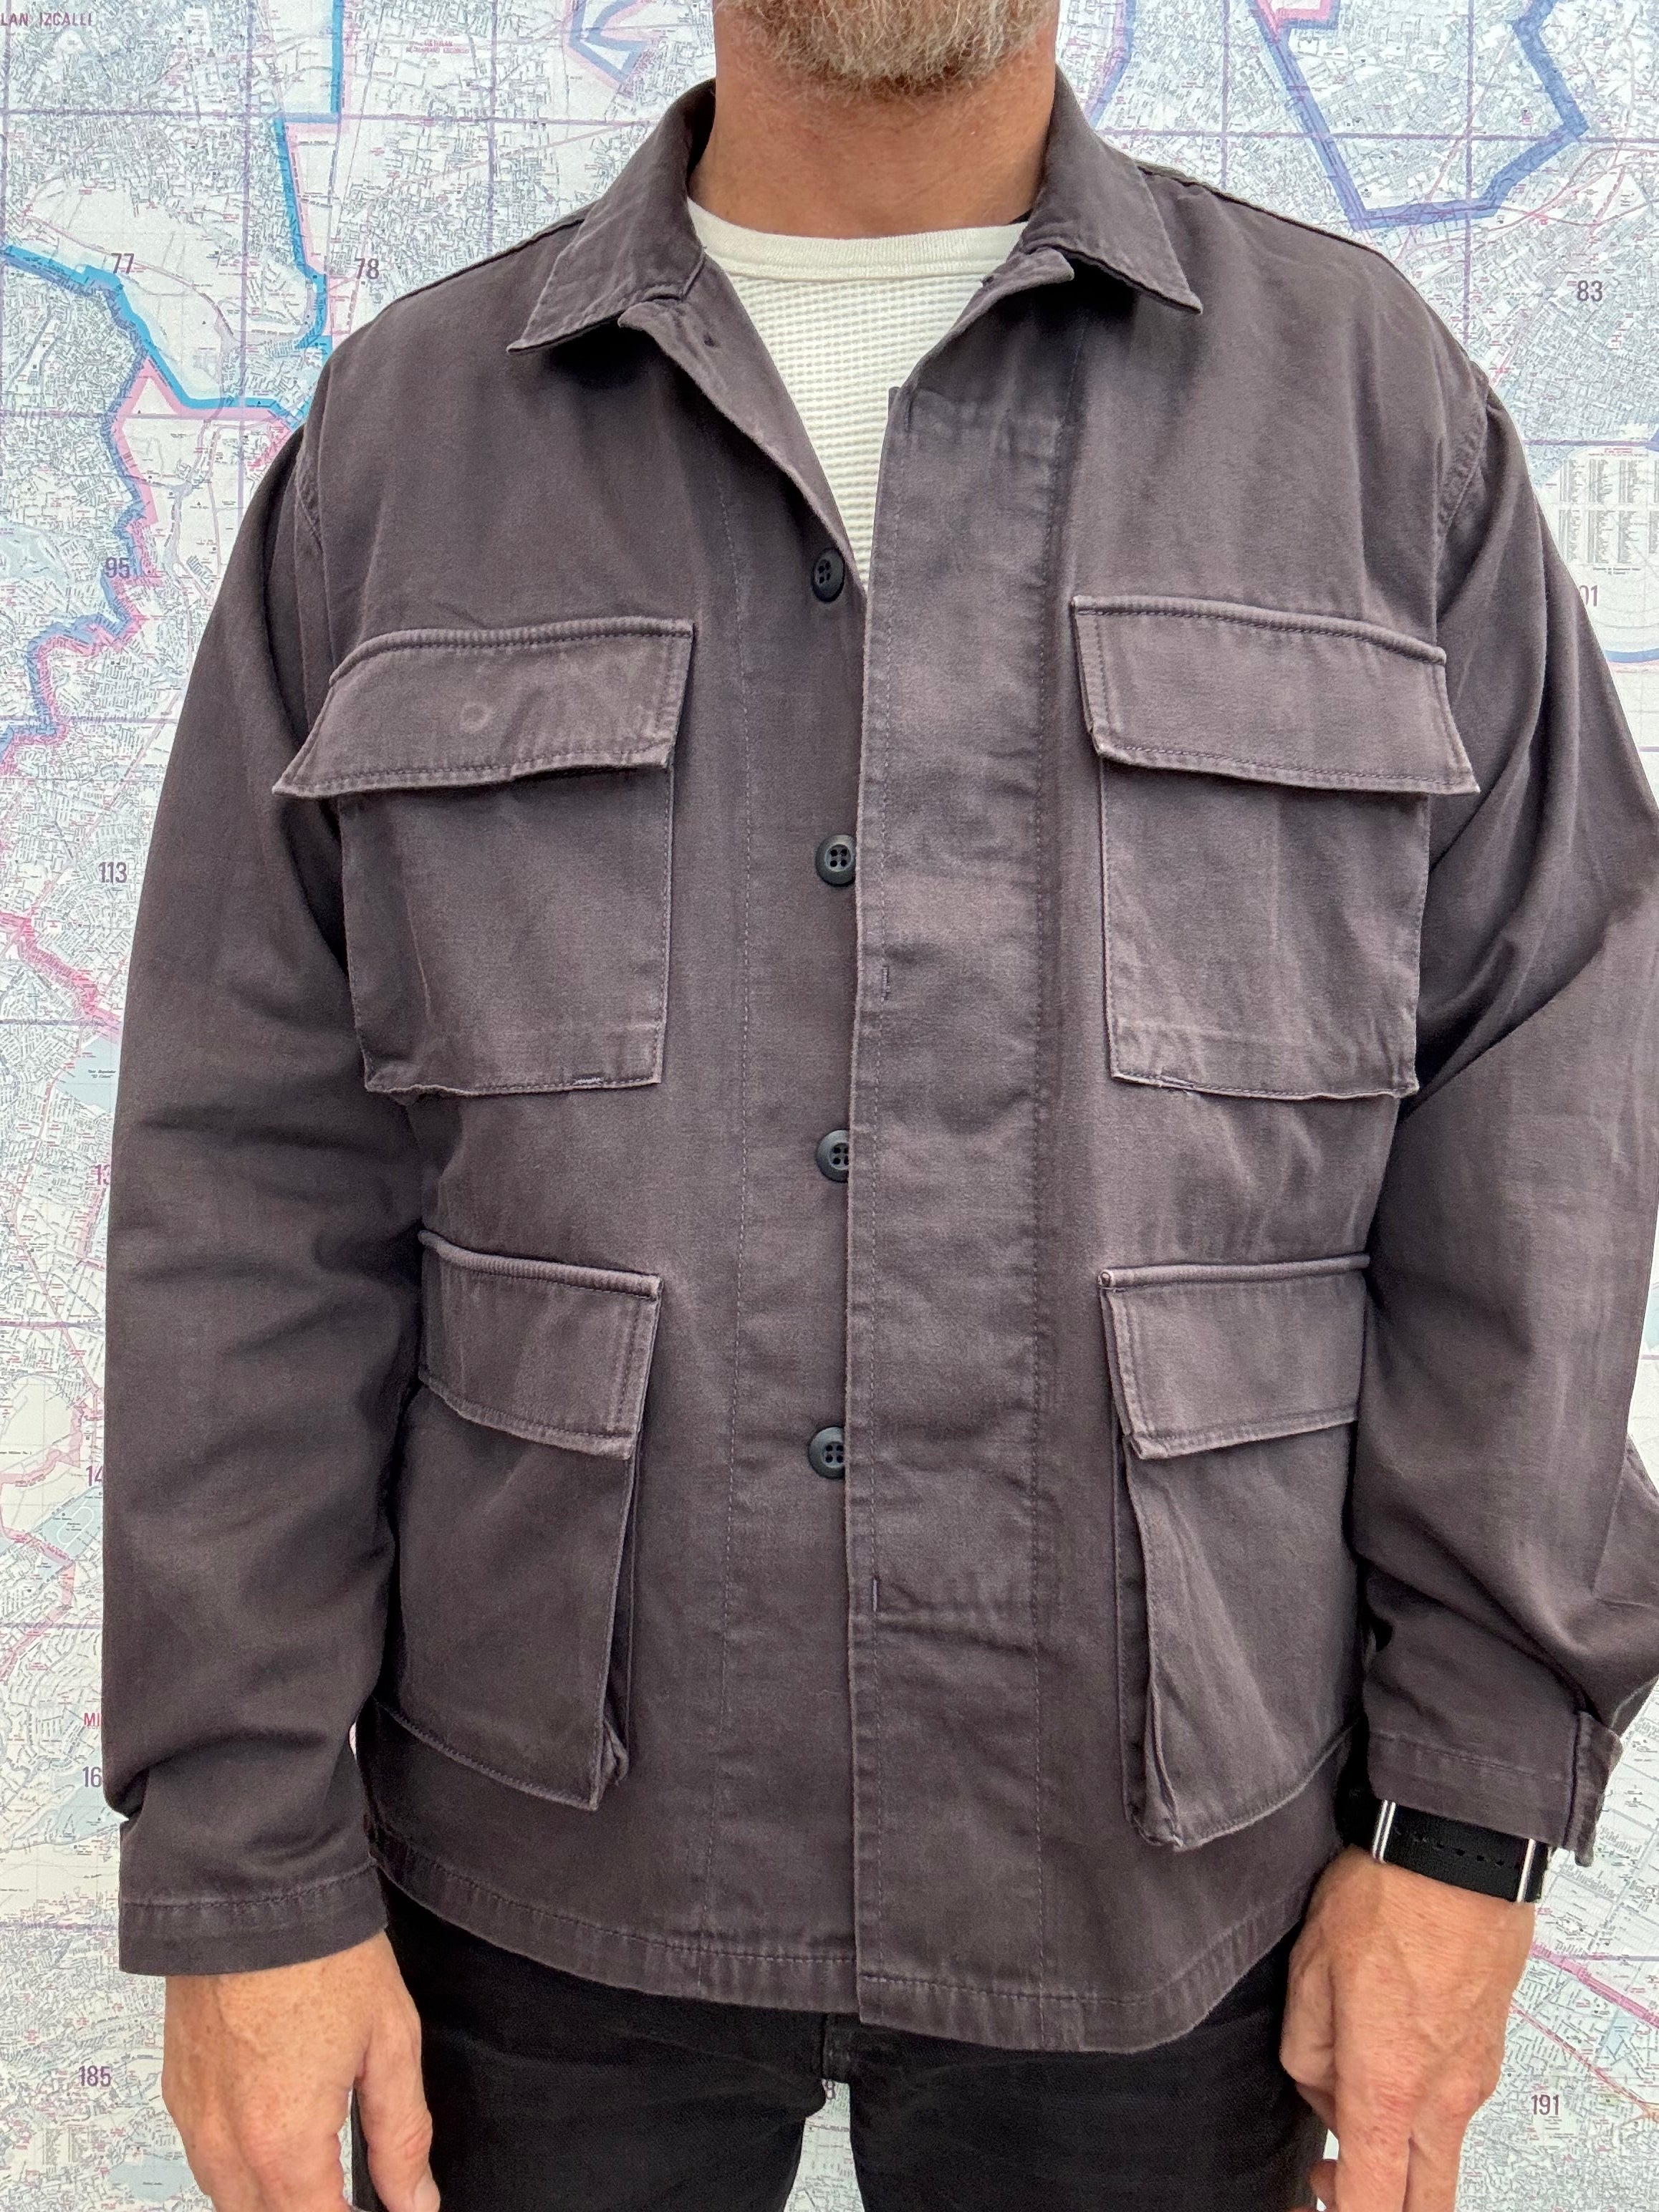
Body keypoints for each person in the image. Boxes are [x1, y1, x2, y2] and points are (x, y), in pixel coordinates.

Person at [100, 1, 1659, 2208]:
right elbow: (246, 1198)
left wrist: (1466, 1831)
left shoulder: (1365, 408)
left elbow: (1540, 1144)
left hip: (1178, 1886)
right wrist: (247, 1874)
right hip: (529, 1893)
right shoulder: (408, 441)